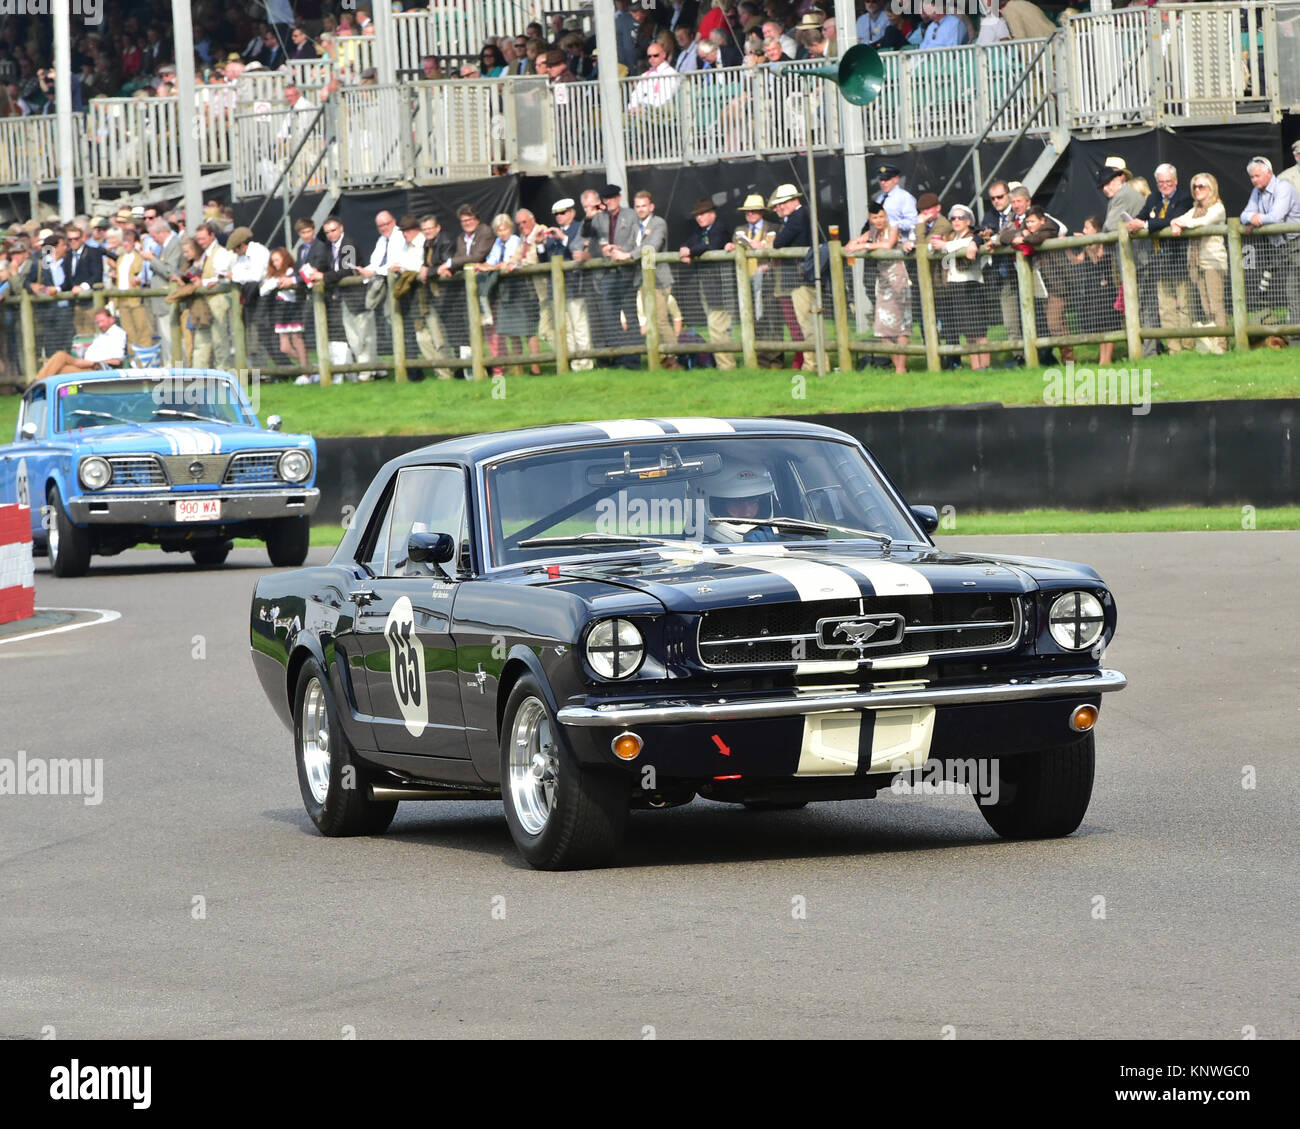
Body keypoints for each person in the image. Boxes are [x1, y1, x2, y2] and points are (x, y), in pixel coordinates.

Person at [1127, 163, 1194, 353]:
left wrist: (1146, 225)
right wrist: (1134, 223)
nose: (1165, 185)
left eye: (1168, 182)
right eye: (1161, 182)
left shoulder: (1185, 197)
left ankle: (1188, 347)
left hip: (1179, 257)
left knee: (1184, 305)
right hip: (1160, 260)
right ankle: (1174, 349)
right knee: (1166, 308)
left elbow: (1172, 218)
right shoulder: (1153, 198)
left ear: (1176, 181)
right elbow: (1141, 216)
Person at [305, 215, 372, 381]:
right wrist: (314, 271)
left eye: (333, 230)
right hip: (342, 298)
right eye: (327, 232)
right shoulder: (328, 247)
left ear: (341, 228)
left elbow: (347, 270)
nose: (331, 234)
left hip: (356, 296)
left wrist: (323, 276)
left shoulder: (348, 244)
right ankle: (367, 371)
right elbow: (324, 265)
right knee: (353, 338)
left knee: (364, 336)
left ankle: (368, 372)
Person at [1240, 156, 1300, 332]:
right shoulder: (1256, 192)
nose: (1254, 180)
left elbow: (1276, 217)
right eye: (1252, 177)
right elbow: (1244, 214)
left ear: (1269, 173)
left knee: (1293, 291)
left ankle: (1296, 336)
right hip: (1280, 247)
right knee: (1291, 293)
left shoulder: (1284, 188)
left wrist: (1257, 218)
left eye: (1257, 176)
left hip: (1296, 244)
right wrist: (1253, 217)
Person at [1170, 173, 1229, 353]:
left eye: (1201, 186)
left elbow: (1203, 222)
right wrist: (1176, 223)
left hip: (1213, 262)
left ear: (1211, 188)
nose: (1197, 190)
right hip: (1196, 263)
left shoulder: (1217, 207)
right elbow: (1180, 219)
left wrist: (1182, 223)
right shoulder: (1195, 209)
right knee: (1205, 305)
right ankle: (1212, 344)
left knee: (1216, 305)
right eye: (1195, 187)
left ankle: (1222, 344)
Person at [1098, 156, 1151, 355]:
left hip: (1137, 260)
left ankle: (1146, 353)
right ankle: (1142, 352)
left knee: (1143, 307)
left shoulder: (1123, 196)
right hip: (1132, 260)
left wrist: (1104, 233)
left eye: (1108, 182)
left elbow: (1110, 226)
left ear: (1120, 177)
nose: (1105, 188)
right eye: (1103, 184)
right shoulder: (1121, 196)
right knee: (1138, 306)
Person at [584, 184, 641, 369]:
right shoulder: (599, 218)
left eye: (611, 198)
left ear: (619, 197)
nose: (608, 202)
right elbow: (589, 241)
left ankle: (633, 360)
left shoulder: (631, 215)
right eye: (605, 199)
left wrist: (622, 251)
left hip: (627, 271)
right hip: (607, 272)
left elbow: (637, 240)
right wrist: (604, 250)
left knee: (631, 316)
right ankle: (618, 358)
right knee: (610, 317)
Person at [475, 213, 537, 376]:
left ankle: (535, 367)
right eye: (499, 230)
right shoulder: (497, 243)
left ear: (510, 228)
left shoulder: (516, 241)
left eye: (505, 229)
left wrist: (490, 268)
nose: (502, 233)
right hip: (504, 291)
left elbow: (507, 263)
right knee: (511, 331)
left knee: (528, 330)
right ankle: (518, 367)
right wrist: (482, 266)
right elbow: (493, 260)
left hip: (519, 290)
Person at [536, 198, 595, 371]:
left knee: (579, 326)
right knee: (566, 328)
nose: (559, 217)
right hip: (557, 290)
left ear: (572, 213)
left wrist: (563, 238)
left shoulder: (579, 228)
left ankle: (585, 362)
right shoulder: (552, 235)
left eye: (562, 213)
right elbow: (545, 261)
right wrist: (540, 244)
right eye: (556, 214)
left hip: (576, 286)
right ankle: (574, 363)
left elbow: (578, 250)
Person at [931, 204, 992, 370]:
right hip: (954, 285)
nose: (956, 221)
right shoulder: (951, 237)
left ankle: (985, 366)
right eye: (953, 218)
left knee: (979, 329)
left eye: (961, 218)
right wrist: (939, 244)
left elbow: (970, 244)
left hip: (971, 284)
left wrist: (944, 246)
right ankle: (975, 366)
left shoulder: (973, 236)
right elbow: (934, 246)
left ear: (969, 221)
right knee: (968, 330)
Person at [852, 200, 910, 373]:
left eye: (881, 216)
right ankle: (899, 367)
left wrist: (866, 246)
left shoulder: (893, 228)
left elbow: (888, 245)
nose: (879, 220)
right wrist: (857, 244)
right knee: (883, 329)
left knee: (901, 327)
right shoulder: (872, 232)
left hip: (898, 279)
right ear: (870, 218)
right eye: (875, 217)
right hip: (883, 283)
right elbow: (851, 244)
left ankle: (901, 369)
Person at [678, 197, 734, 371]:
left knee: (717, 326)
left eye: (702, 214)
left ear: (712, 214)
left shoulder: (719, 228)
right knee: (717, 326)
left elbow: (713, 245)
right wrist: (685, 249)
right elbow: (690, 242)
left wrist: (691, 252)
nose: (699, 218)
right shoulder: (701, 230)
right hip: (708, 286)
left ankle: (726, 366)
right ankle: (724, 363)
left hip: (720, 287)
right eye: (697, 215)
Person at [1013, 206, 1075, 363]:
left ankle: (1069, 360)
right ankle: (1069, 361)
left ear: (1042, 220)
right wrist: (1021, 234)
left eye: (1033, 222)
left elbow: (1036, 239)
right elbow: (1006, 235)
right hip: (1043, 287)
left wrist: (1024, 237)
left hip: (1058, 285)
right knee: (1059, 324)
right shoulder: (1028, 229)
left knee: (1054, 323)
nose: (1030, 225)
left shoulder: (1049, 228)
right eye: (1027, 222)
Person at [726, 192, 781, 367]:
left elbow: (777, 252)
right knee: (754, 323)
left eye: (753, 211)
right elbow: (734, 245)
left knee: (772, 322)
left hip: (769, 283)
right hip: (747, 284)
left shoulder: (774, 228)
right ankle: (760, 361)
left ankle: (776, 362)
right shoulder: (739, 231)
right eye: (747, 211)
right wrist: (730, 246)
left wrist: (764, 251)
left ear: (762, 212)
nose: (749, 214)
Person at [1066, 215, 1122, 365]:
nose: (1084, 230)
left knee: (1109, 322)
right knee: (1099, 322)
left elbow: (1097, 257)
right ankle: (1102, 358)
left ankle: (1107, 359)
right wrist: (1067, 248)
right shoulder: (1086, 246)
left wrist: (1085, 241)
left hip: (1106, 287)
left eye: (1087, 228)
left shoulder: (1102, 243)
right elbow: (1076, 261)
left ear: (1096, 229)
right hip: (1092, 289)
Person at [35, 306, 127, 379]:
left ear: (111, 319)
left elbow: (117, 361)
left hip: (96, 370)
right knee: (58, 364)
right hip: (85, 366)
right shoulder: (102, 335)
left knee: (60, 359)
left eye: (102, 321)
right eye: (98, 322)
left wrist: (93, 363)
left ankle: (35, 385)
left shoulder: (117, 334)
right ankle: (36, 384)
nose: (100, 325)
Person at [702, 461, 780, 542]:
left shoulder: (782, 537)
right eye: (737, 503)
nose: (747, 512)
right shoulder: (695, 546)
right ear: (717, 506)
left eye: (753, 502)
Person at [260, 246, 309, 369]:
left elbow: (295, 291)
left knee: (297, 340)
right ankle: (309, 366)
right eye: (273, 261)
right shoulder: (274, 276)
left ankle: (306, 371)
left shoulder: (291, 272)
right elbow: (263, 291)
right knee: (284, 347)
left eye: (277, 260)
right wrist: (275, 283)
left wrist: (286, 283)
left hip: (293, 309)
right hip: (281, 311)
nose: (275, 263)